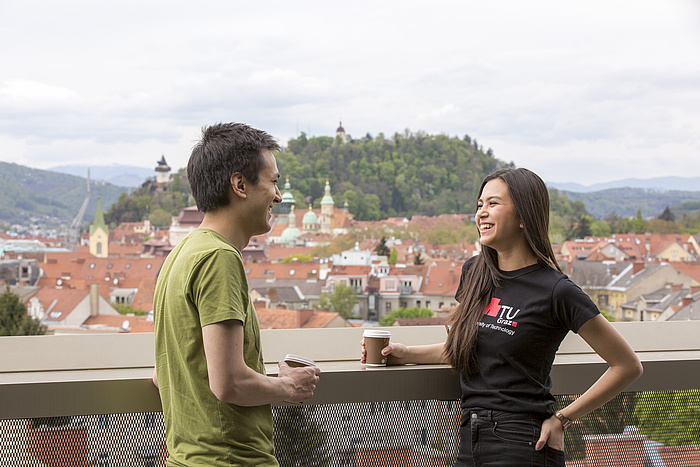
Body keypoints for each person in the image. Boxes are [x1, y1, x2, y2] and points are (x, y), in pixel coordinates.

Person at [362, 167, 643, 467]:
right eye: (479, 205)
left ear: (524, 216)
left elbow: (627, 365)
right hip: (470, 436)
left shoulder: (556, 290)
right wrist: (403, 354)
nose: (481, 213)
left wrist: (563, 418)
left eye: (493, 204)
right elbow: (468, 349)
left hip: (523, 441)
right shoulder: (475, 273)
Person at [153, 122, 321, 466]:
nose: (278, 195)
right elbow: (229, 383)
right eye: (273, 182)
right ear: (240, 185)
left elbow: (164, 372)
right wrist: (289, 387)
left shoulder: (181, 254)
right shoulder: (219, 257)